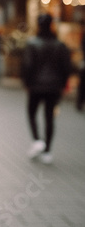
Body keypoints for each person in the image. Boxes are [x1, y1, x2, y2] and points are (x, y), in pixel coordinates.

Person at [21, 14, 71, 164]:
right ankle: (47, 151)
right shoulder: (60, 45)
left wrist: (27, 83)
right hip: (54, 87)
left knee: (32, 113)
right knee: (49, 117)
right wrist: (62, 84)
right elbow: (66, 67)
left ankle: (37, 140)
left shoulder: (32, 43)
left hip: (35, 86)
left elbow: (27, 65)